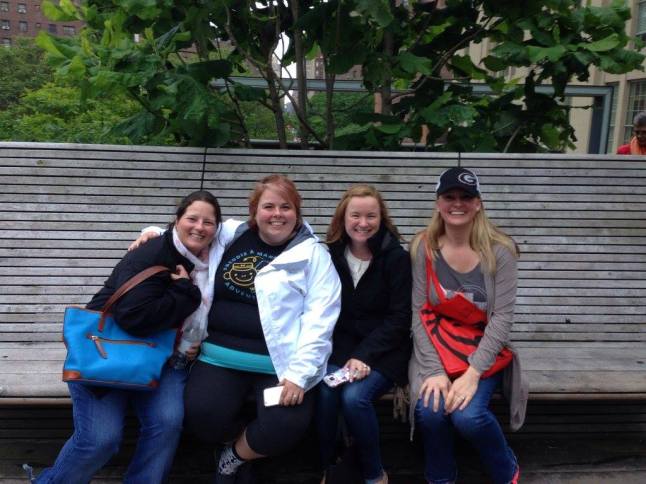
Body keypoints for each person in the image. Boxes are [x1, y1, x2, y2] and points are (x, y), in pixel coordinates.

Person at [27, 190, 229, 484]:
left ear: (217, 229)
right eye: (192, 218)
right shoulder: (152, 254)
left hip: (162, 358)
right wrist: (186, 292)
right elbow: (133, 318)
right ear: (177, 220)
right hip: (105, 353)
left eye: (208, 222)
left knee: (167, 423)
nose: (199, 227)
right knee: (100, 440)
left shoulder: (210, 262)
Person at [180, 175, 342, 483]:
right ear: (254, 211)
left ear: (297, 213)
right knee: (201, 415)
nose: (277, 214)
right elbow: (187, 230)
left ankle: (232, 458)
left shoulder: (313, 255)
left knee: (284, 426)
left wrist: (299, 375)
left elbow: (321, 319)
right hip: (218, 358)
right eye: (268, 206)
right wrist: (150, 233)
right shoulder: (231, 234)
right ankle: (240, 439)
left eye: (286, 207)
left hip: (279, 367)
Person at [409, 168, 528, 484]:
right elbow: (418, 312)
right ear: (438, 204)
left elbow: (501, 318)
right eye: (449, 197)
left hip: (480, 351)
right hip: (435, 348)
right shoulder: (424, 247)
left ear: (478, 203)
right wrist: (434, 371)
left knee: (469, 417)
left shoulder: (500, 251)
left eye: (466, 197)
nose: (457, 204)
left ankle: (506, 469)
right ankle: (441, 477)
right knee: (430, 410)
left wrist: (473, 374)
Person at [316, 185, 412, 484]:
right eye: (355, 215)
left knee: (355, 398)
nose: (363, 223)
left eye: (371, 216)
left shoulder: (396, 258)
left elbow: (400, 319)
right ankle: (330, 466)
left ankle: (374, 473)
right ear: (343, 218)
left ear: (381, 218)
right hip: (342, 347)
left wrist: (364, 356)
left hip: (385, 350)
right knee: (325, 392)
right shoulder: (329, 255)